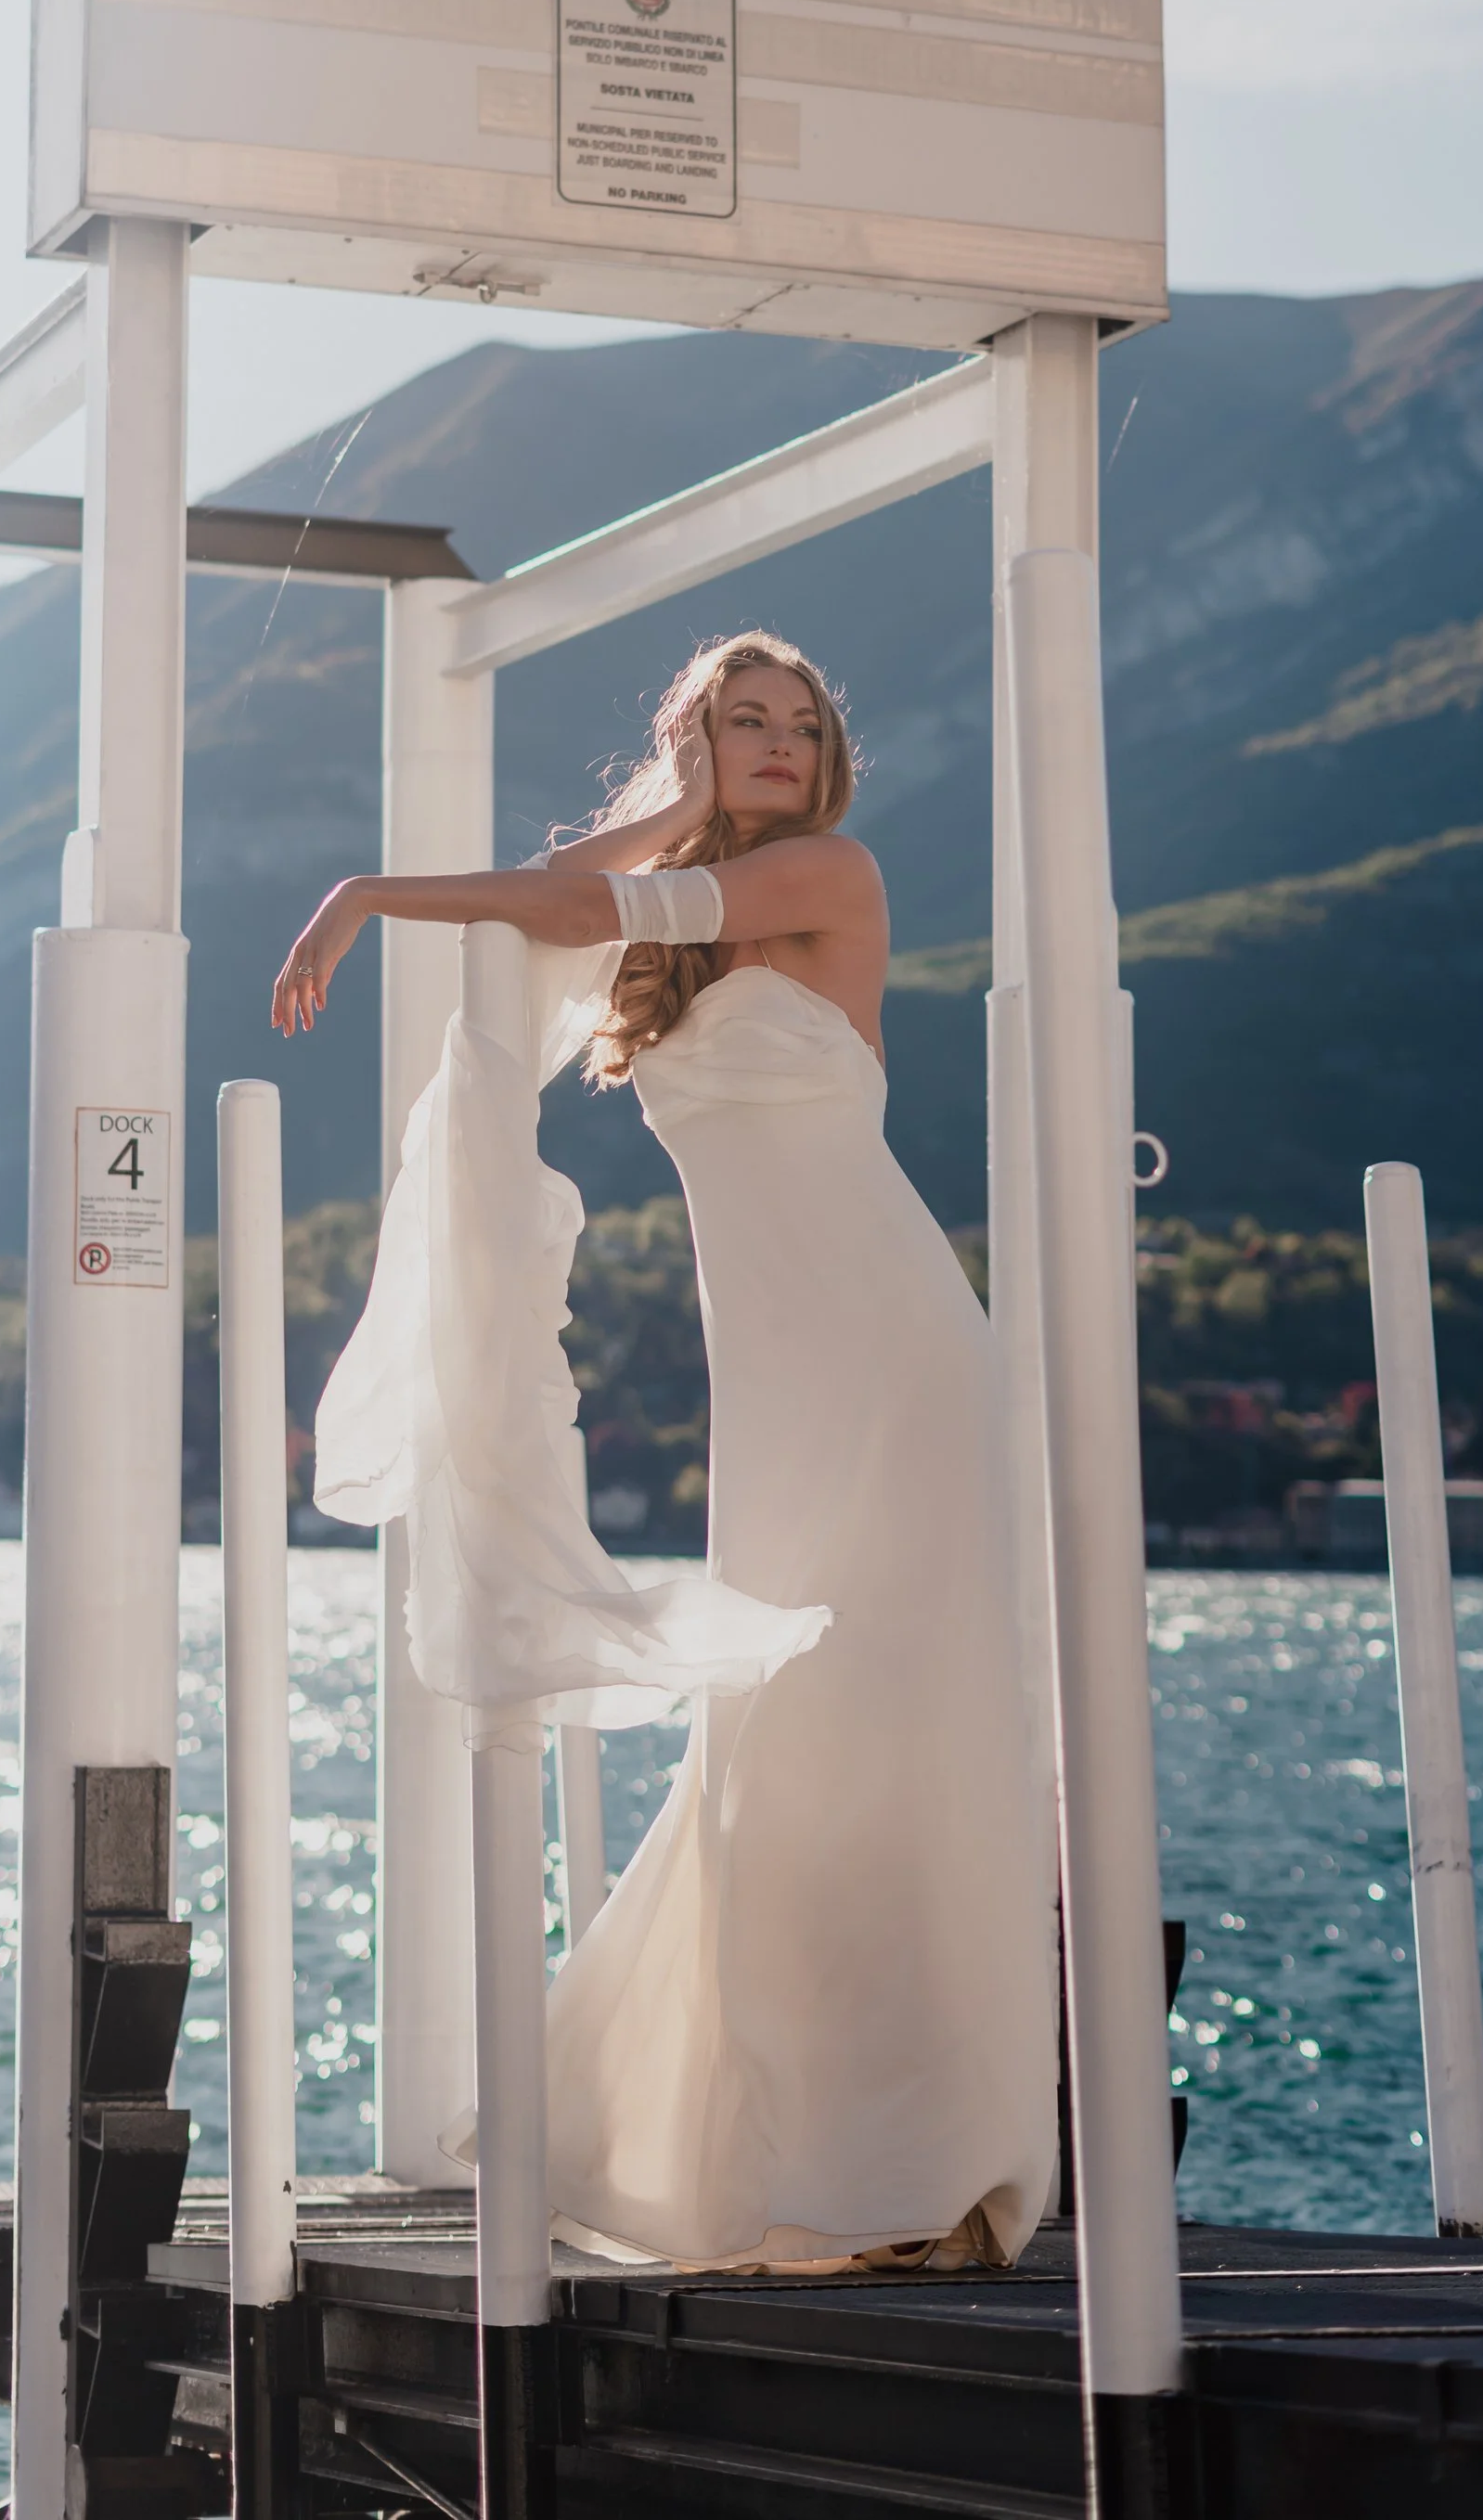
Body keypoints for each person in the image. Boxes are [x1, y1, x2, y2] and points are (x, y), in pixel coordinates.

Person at [273, 630, 1057, 2269]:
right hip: (782, 1378)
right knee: (788, 1736)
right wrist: (670, 805)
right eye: (738, 721)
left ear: (832, 757)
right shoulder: (695, 926)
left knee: (884, 1718)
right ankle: (814, 2153)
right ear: (692, 742)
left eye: (800, 721)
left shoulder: (831, 872)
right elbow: (577, 885)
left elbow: (568, 908)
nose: (775, 742)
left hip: (899, 1356)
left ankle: (927, 2173)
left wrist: (366, 892)